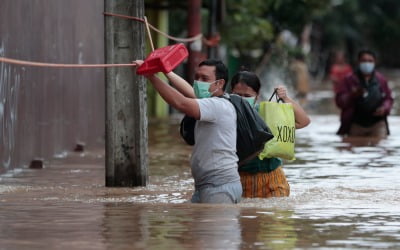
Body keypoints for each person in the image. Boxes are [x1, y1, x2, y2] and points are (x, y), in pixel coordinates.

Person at [134, 59, 242, 204]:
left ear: (220, 83)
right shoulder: (212, 101)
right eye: (197, 77)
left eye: (204, 79)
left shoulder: (217, 106)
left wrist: (151, 76)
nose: (198, 82)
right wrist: (167, 72)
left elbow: (181, 103)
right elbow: (188, 91)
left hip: (219, 187)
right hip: (207, 186)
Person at [230, 71, 310, 198]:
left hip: (273, 179)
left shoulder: (266, 113)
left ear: (257, 96)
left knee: (276, 216)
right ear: (230, 93)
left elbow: (304, 121)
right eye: (238, 95)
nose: (242, 99)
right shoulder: (223, 115)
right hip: (241, 180)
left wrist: (286, 99)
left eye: (247, 96)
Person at [335, 49, 393, 137]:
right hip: (355, 124)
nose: (367, 64)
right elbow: (339, 101)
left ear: (375, 62)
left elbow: (388, 98)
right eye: (364, 61)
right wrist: (353, 95)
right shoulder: (348, 80)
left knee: (380, 147)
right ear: (358, 62)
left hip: (377, 123)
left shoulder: (381, 80)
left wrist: (384, 108)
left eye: (370, 61)